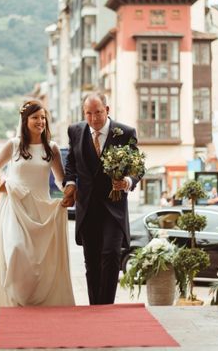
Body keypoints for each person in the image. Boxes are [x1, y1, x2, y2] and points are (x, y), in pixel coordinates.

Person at [0, 100, 74, 307]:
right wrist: (0, 186)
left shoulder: (51, 148)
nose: (40, 121)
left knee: (39, 262)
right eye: (35, 117)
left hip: (41, 210)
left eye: (43, 117)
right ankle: (16, 299)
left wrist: (69, 190)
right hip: (15, 207)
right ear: (25, 121)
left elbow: (60, 180)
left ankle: (34, 302)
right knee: (16, 249)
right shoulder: (14, 145)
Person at [62, 92, 143, 305]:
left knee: (110, 254)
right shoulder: (75, 131)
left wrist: (126, 181)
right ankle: (94, 308)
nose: (94, 118)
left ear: (107, 110)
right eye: (89, 113)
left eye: (98, 112)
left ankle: (106, 307)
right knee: (92, 262)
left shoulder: (125, 133)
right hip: (87, 208)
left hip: (113, 209)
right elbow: (71, 162)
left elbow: (138, 168)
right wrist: (70, 184)